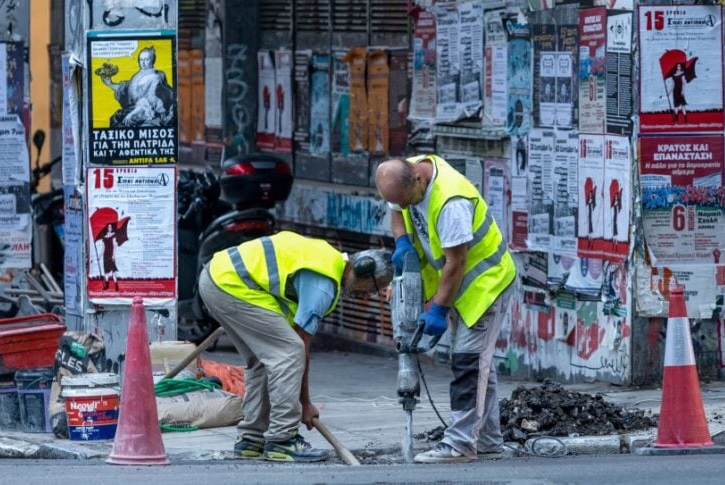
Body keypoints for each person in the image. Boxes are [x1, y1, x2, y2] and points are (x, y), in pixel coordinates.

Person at [198, 231, 393, 462]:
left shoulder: (326, 260)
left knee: (264, 359)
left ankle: (251, 440)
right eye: (373, 288)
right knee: (288, 353)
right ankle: (283, 440)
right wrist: (305, 404)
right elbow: (299, 348)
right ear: (362, 269)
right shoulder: (323, 283)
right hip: (230, 284)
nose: (367, 296)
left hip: (217, 279)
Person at [375, 155, 516, 464]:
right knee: (479, 365)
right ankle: (489, 440)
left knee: (467, 362)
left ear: (419, 180)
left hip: (484, 285)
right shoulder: (403, 174)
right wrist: (402, 242)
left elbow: (457, 262)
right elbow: (397, 211)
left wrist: (438, 309)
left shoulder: (451, 202)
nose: (403, 207)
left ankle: (460, 444)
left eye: (406, 200)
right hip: (459, 286)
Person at [99, 46, 175, 127]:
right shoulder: (137, 75)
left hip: (150, 113)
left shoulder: (156, 77)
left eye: (146, 59)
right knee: (116, 119)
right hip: (134, 110)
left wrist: (131, 115)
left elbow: (149, 101)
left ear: (152, 61)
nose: (143, 63)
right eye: (141, 60)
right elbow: (125, 88)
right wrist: (110, 83)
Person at [101, 223, 120, 291]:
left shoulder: (113, 235)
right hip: (105, 256)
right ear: (107, 228)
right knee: (106, 272)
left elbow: (114, 246)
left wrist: (113, 255)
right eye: (109, 227)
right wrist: (99, 256)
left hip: (111, 254)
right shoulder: (104, 237)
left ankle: (116, 286)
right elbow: (103, 249)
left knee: (113, 271)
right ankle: (107, 286)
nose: (110, 228)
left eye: (111, 227)